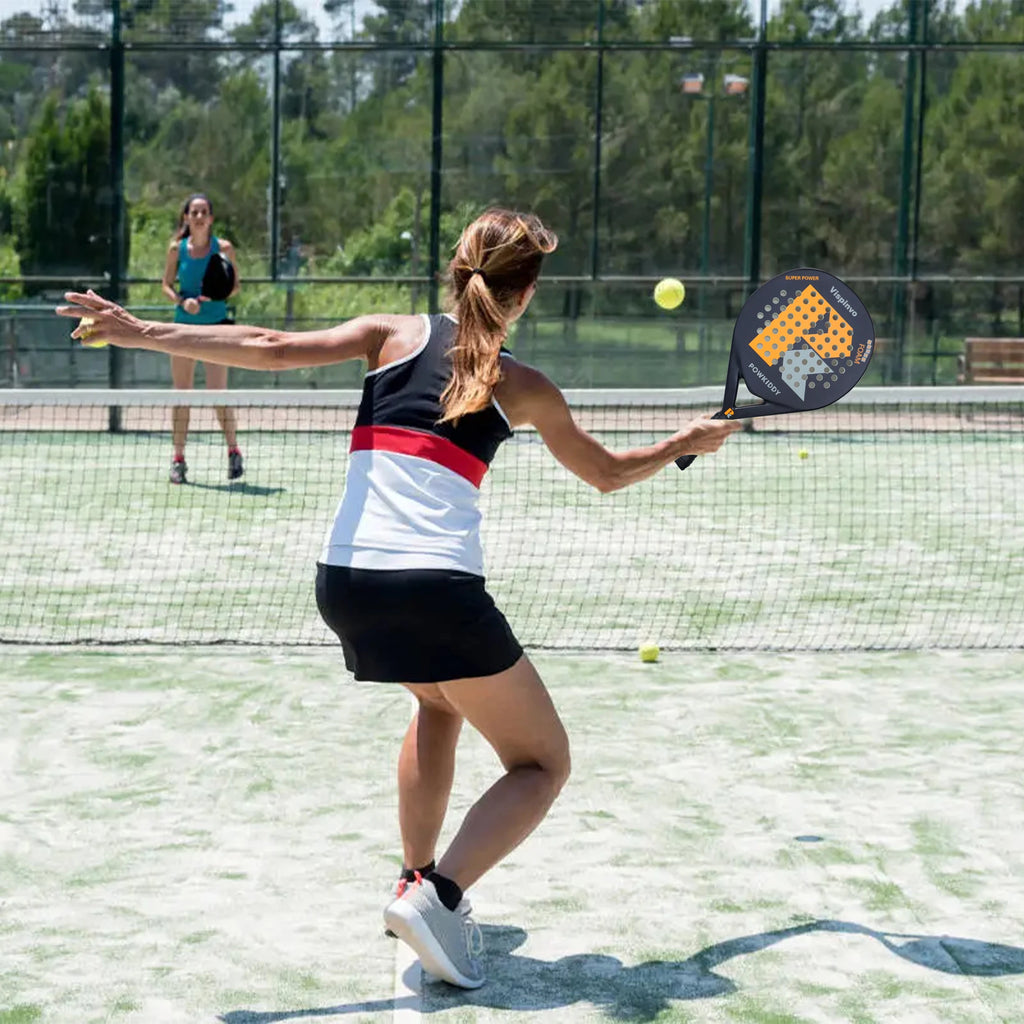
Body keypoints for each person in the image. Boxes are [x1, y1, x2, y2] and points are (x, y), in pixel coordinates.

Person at [57, 207, 741, 989]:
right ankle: (441, 895)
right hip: (433, 588)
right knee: (543, 762)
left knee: (439, 703)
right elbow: (609, 474)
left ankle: (412, 877)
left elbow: (268, 345)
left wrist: (140, 331)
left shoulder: (391, 334)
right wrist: (682, 444)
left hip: (345, 582)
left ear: (456, 272)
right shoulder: (523, 385)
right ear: (523, 297)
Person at [161, 192, 243, 484]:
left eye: (203, 212)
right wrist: (183, 302)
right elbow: (167, 285)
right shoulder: (176, 250)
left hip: (216, 329)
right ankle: (178, 459)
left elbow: (234, 287)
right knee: (181, 395)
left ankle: (233, 451)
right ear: (186, 217)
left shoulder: (224, 249)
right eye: (193, 212)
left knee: (217, 393)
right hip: (183, 329)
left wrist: (212, 296)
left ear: (210, 218)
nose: (198, 217)